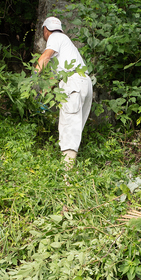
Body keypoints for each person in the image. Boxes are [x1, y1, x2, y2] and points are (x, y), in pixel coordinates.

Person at [35, 16, 93, 168]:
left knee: (68, 127)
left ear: (45, 30)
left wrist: (33, 77)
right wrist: (46, 92)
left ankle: (67, 175)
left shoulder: (55, 37)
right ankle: (71, 167)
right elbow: (59, 75)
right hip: (84, 82)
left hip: (73, 83)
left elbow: (45, 56)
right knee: (74, 127)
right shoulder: (66, 47)